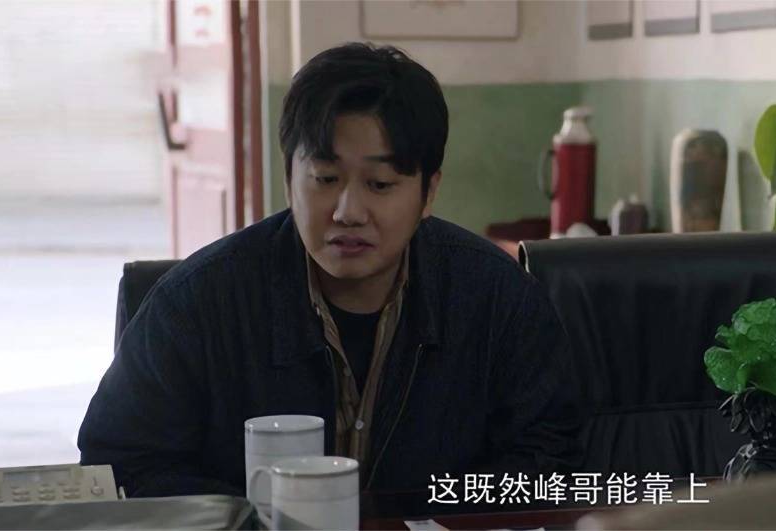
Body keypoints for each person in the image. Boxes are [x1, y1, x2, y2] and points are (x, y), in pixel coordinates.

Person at [78, 42, 582, 498]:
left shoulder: (496, 298)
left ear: (428, 192)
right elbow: (120, 464)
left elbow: (550, 461)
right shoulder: (197, 303)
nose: (348, 212)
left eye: (379, 184)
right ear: (288, 180)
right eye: (325, 178)